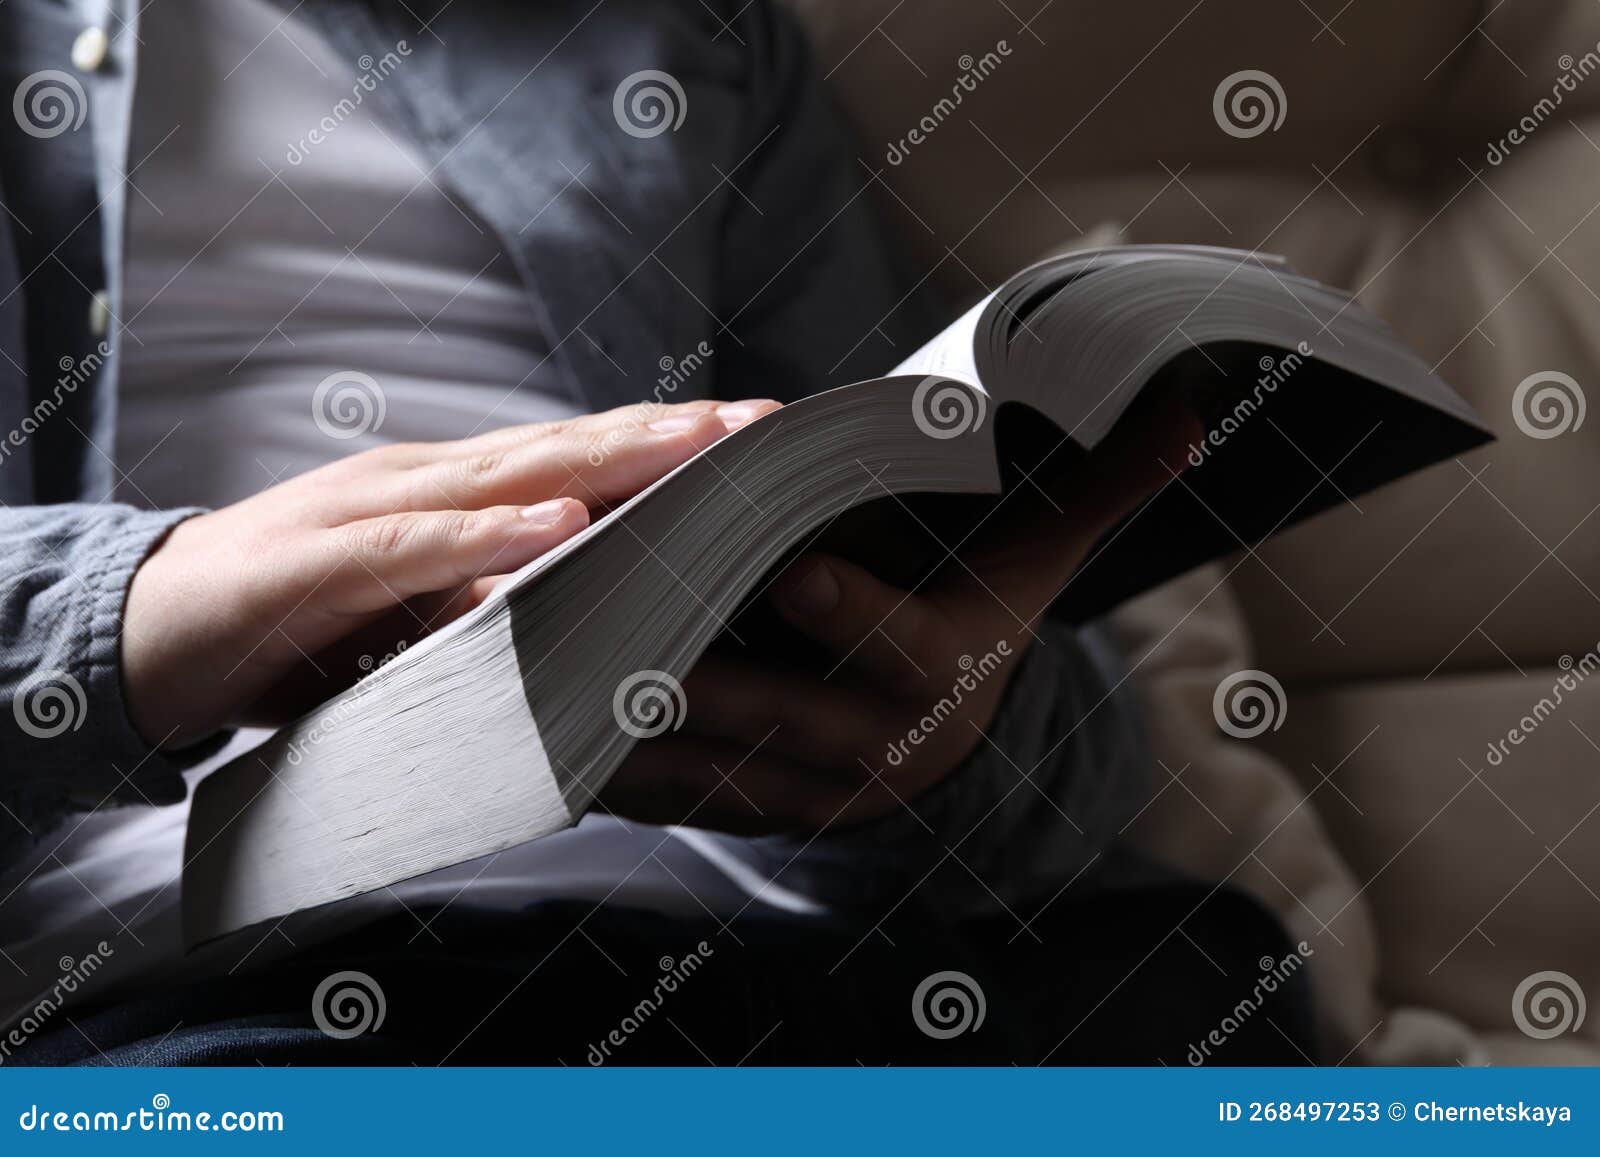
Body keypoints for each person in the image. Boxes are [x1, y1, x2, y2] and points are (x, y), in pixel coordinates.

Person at [0, 0, 1313, 1063]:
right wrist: (119, 619)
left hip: (872, 977)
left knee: (1215, 988)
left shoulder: (692, 39)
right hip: (245, 999)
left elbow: (953, 578)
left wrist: (951, 735)